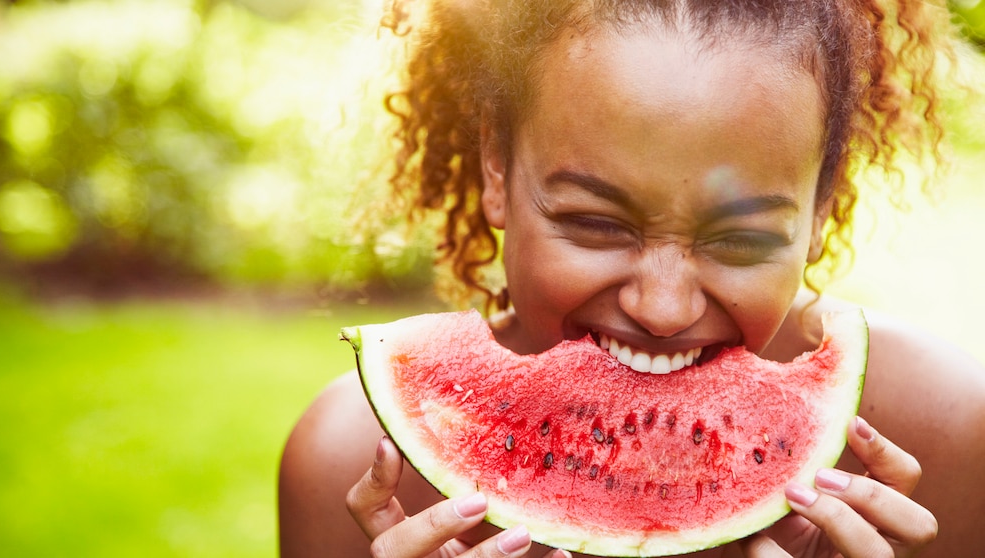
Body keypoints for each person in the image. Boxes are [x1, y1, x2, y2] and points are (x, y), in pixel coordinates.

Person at [278, 0, 985, 556]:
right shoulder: (351, 463)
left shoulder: (945, 434)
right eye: (596, 224)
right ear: (497, 166)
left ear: (820, 210)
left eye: (739, 238)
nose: (663, 307)